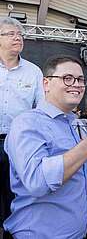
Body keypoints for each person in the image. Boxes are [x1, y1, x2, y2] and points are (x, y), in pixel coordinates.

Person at [3, 55, 87, 238]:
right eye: (67, 78)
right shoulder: (27, 123)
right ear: (46, 84)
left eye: (81, 79)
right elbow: (37, 181)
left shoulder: (77, 125)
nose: (77, 84)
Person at [0, 17, 44, 237]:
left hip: (19, 144)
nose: (17, 38)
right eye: (11, 34)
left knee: (15, 194)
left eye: (20, 35)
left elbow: (42, 109)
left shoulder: (33, 72)